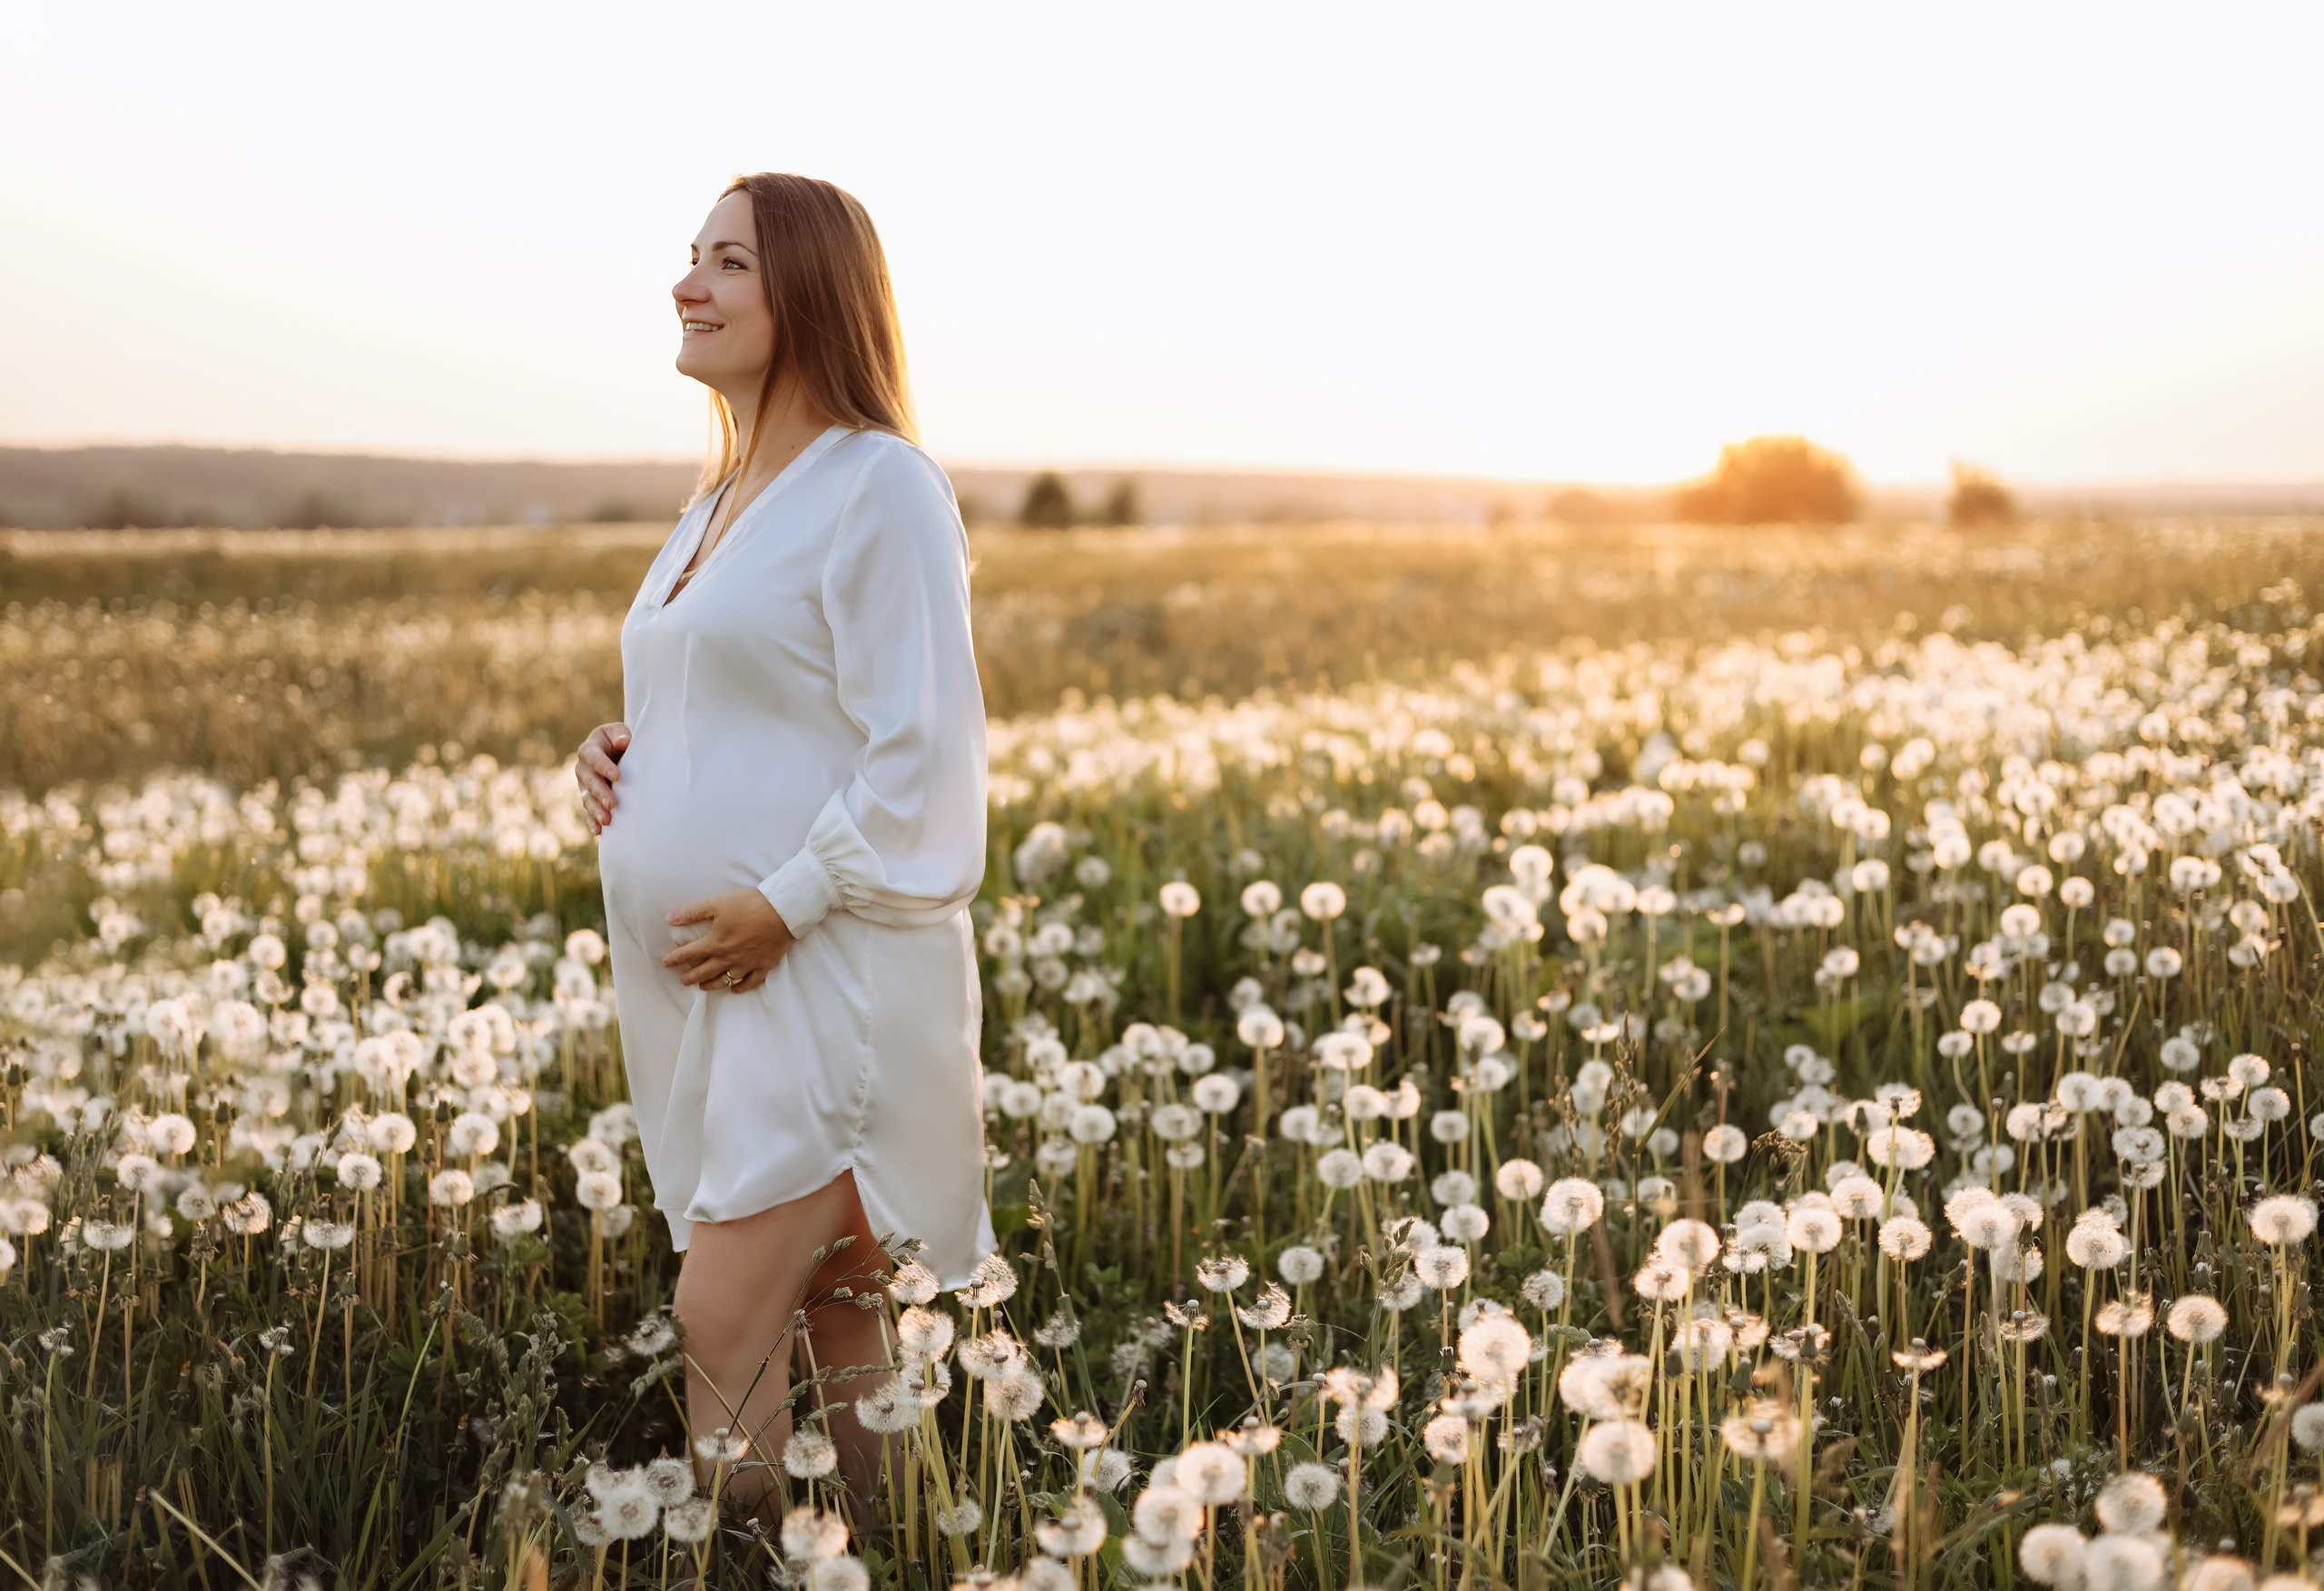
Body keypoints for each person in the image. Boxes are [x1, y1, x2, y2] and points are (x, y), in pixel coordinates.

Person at [575, 172, 994, 1518]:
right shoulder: (716, 502)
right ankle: (882, 1553)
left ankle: (744, 1563)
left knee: (719, 1316)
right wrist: (614, 749)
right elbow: (727, 698)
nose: (688, 284)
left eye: (729, 263)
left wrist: (785, 900)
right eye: (690, 257)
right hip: (715, 987)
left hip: (818, 975)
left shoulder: (880, 484)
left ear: (809, 290)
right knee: (841, 1324)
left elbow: (920, 748)